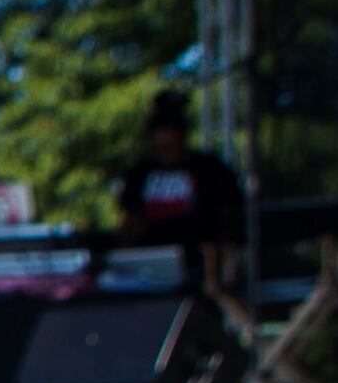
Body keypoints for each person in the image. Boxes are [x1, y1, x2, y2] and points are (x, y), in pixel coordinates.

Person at [99, 88, 245, 290]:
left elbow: (229, 219)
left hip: (201, 267)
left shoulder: (210, 169)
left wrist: (226, 264)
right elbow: (129, 223)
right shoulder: (140, 173)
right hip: (150, 269)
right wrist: (122, 261)